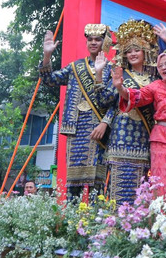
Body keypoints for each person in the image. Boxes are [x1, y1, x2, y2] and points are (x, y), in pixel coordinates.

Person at [39, 24, 115, 197]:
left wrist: (105, 122)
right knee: (74, 184)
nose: (93, 43)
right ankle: (72, 221)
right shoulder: (75, 67)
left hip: (100, 131)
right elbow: (49, 79)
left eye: (98, 39)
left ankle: (97, 221)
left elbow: (115, 103)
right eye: (90, 40)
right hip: (77, 129)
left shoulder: (113, 69)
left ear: (104, 42)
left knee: (98, 184)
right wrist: (47, 55)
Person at [113, 52, 166, 196]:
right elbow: (137, 96)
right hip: (163, 143)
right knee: (164, 184)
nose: (163, 68)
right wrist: (120, 88)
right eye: (160, 66)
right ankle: (162, 218)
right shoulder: (157, 86)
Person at [95, 19, 158, 205]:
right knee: (117, 188)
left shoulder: (155, 78)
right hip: (120, 137)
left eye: (136, 50)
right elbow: (106, 101)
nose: (132, 54)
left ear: (145, 51)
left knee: (140, 189)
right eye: (128, 50)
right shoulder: (121, 75)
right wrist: (99, 75)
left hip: (143, 137)